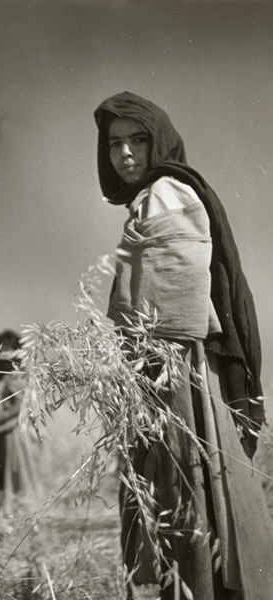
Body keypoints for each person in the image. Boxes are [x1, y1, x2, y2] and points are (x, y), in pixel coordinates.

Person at [94, 92, 273, 599]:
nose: (124, 153)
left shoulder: (165, 192)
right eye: (114, 144)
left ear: (160, 143)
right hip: (173, 363)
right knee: (193, 491)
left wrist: (142, 366)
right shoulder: (160, 193)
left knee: (186, 483)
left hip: (174, 368)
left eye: (137, 140)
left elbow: (172, 301)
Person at [0, 330, 41, 513]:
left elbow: (21, 406)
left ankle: (30, 512)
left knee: (24, 474)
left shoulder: (18, 378)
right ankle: (17, 512)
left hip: (20, 433)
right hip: (10, 434)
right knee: (13, 474)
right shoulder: (4, 379)